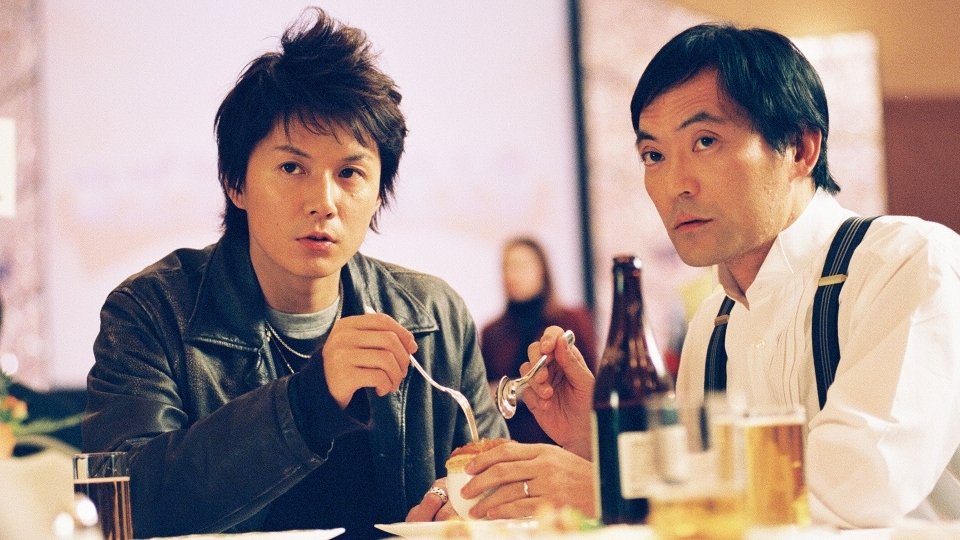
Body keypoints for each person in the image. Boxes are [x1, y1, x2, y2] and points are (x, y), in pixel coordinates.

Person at [445, 22, 960, 528]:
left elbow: (859, 486)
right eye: (653, 155)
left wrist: (612, 484)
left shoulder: (908, 263)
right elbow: (701, 515)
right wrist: (601, 441)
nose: (676, 185)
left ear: (801, 149)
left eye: (706, 141)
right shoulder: (713, 323)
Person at [82, 8, 507, 539]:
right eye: (291, 167)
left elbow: (495, 492)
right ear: (235, 183)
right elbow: (122, 506)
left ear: (379, 193)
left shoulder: (433, 317)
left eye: (349, 172)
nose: (323, 202)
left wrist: (460, 507)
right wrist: (310, 401)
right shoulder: (153, 311)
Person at [480, 236, 597, 444]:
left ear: (542, 271)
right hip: (512, 441)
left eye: (521, 266)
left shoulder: (572, 321)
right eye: (506, 266)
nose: (511, 274)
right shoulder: (492, 332)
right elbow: (484, 393)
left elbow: (592, 379)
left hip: (564, 441)